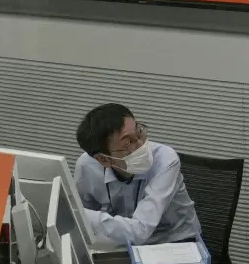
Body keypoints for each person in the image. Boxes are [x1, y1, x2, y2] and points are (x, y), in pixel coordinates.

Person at [73, 103, 201, 246]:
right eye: (129, 143)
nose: (141, 144)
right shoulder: (87, 166)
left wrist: (76, 214)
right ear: (103, 159)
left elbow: (140, 230)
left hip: (176, 240)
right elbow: (81, 222)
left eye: (139, 132)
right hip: (126, 241)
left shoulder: (165, 159)